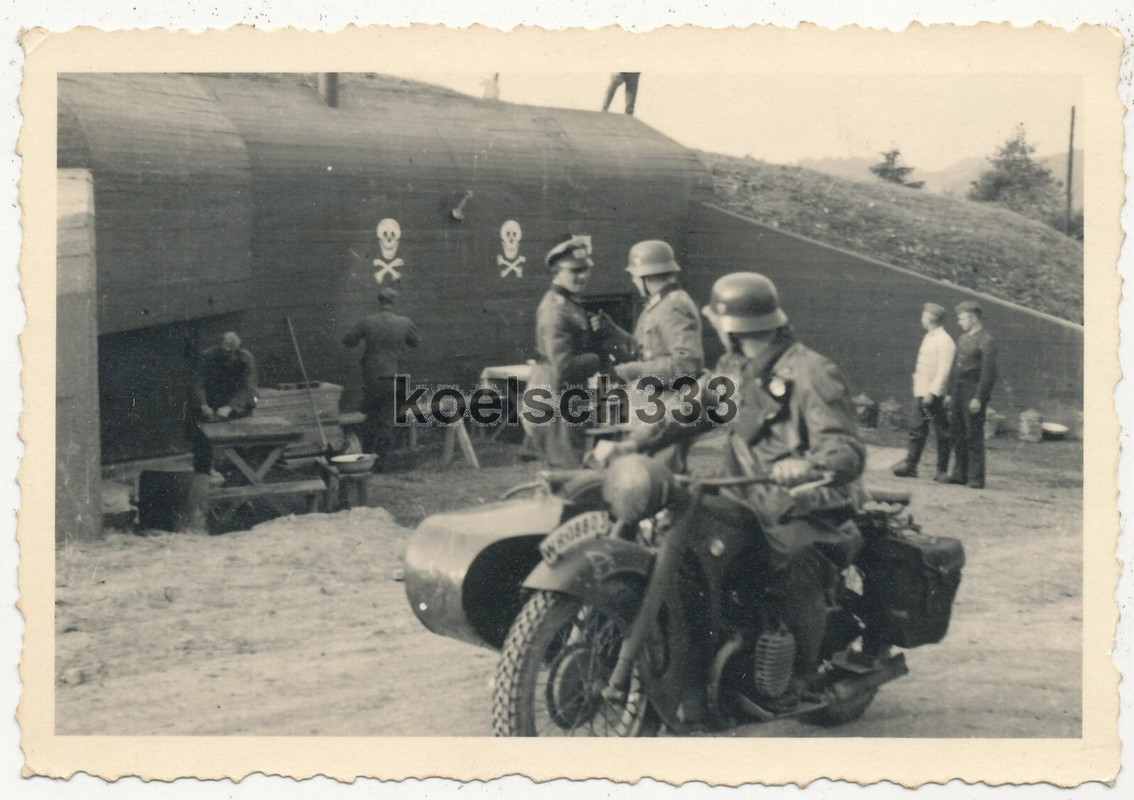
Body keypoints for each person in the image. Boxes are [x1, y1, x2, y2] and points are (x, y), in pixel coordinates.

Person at [604, 272, 866, 711]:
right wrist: (634, 443)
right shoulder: (734, 366)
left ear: (730, 325)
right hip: (743, 488)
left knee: (790, 564)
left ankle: (801, 676)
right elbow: (693, 412)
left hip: (803, 499)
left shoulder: (811, 371)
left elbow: (846, 451)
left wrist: (806, 466)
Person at [591, 239, 704, 468]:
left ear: (646, 276)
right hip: (654, 404)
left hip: (667, 405)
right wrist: (613, 332)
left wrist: (631, 371)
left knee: (659, 475)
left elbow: (687, 363)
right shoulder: (659, 304)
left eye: (635, 276)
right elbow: (647, 350)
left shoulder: (673, 306)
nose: (633, 281)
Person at [528, 234, 604, 468]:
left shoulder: (570, 303)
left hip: (565, 393)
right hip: (555, 393)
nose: (582, 276)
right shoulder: (556, 310)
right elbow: (566, 366)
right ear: (557, 272)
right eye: (574, 271)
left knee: (571, 463)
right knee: (567, 466)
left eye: (585, 270)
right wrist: (598, 359)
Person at [343, 288, 421, 470]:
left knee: (371, 417)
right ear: (396, 303)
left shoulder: (367, 321)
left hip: (373, 376)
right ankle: (381, 463)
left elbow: (349, 341)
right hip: (396, 375)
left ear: (380, 302)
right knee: (388, 419)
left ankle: (368, 459)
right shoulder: (404, 322)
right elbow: (415, 342)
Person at [892, 303, 955, 480]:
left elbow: (944, 369)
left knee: (941, 431)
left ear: (931, 318)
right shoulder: (930, 337)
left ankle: (941, 471)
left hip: (932, 397)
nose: (922, 319)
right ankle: (911, 467)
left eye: (923, 316)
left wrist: (932, 392)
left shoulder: (944, 340)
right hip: (922, 394)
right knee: (918, 428)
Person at [943, 299, 997, 489]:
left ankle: (975, 477)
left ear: (973, 318)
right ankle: (959, 473)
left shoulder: (986, 340)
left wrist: (978, 397)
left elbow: (988, 374)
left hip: (972, 393)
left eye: (963, 318)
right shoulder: (963, 339)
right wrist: (950, 392)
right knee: (957, 433)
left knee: (973, 434)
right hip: (958, 392)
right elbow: (955, 369)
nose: (960, 322)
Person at [188, 331, 258, 475]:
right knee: (203, 437)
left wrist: (231, 407)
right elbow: (197, 384)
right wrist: (203, 405)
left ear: (237, 349)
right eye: (225, 350)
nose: (228, 354)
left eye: (231, 351)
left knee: (242, 439)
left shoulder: (246, 358)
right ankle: (203, 472)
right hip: (212, 400)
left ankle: (240, 472)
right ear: (220, 346)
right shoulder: (207, 356)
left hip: (237, 403)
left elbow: (248, 388)